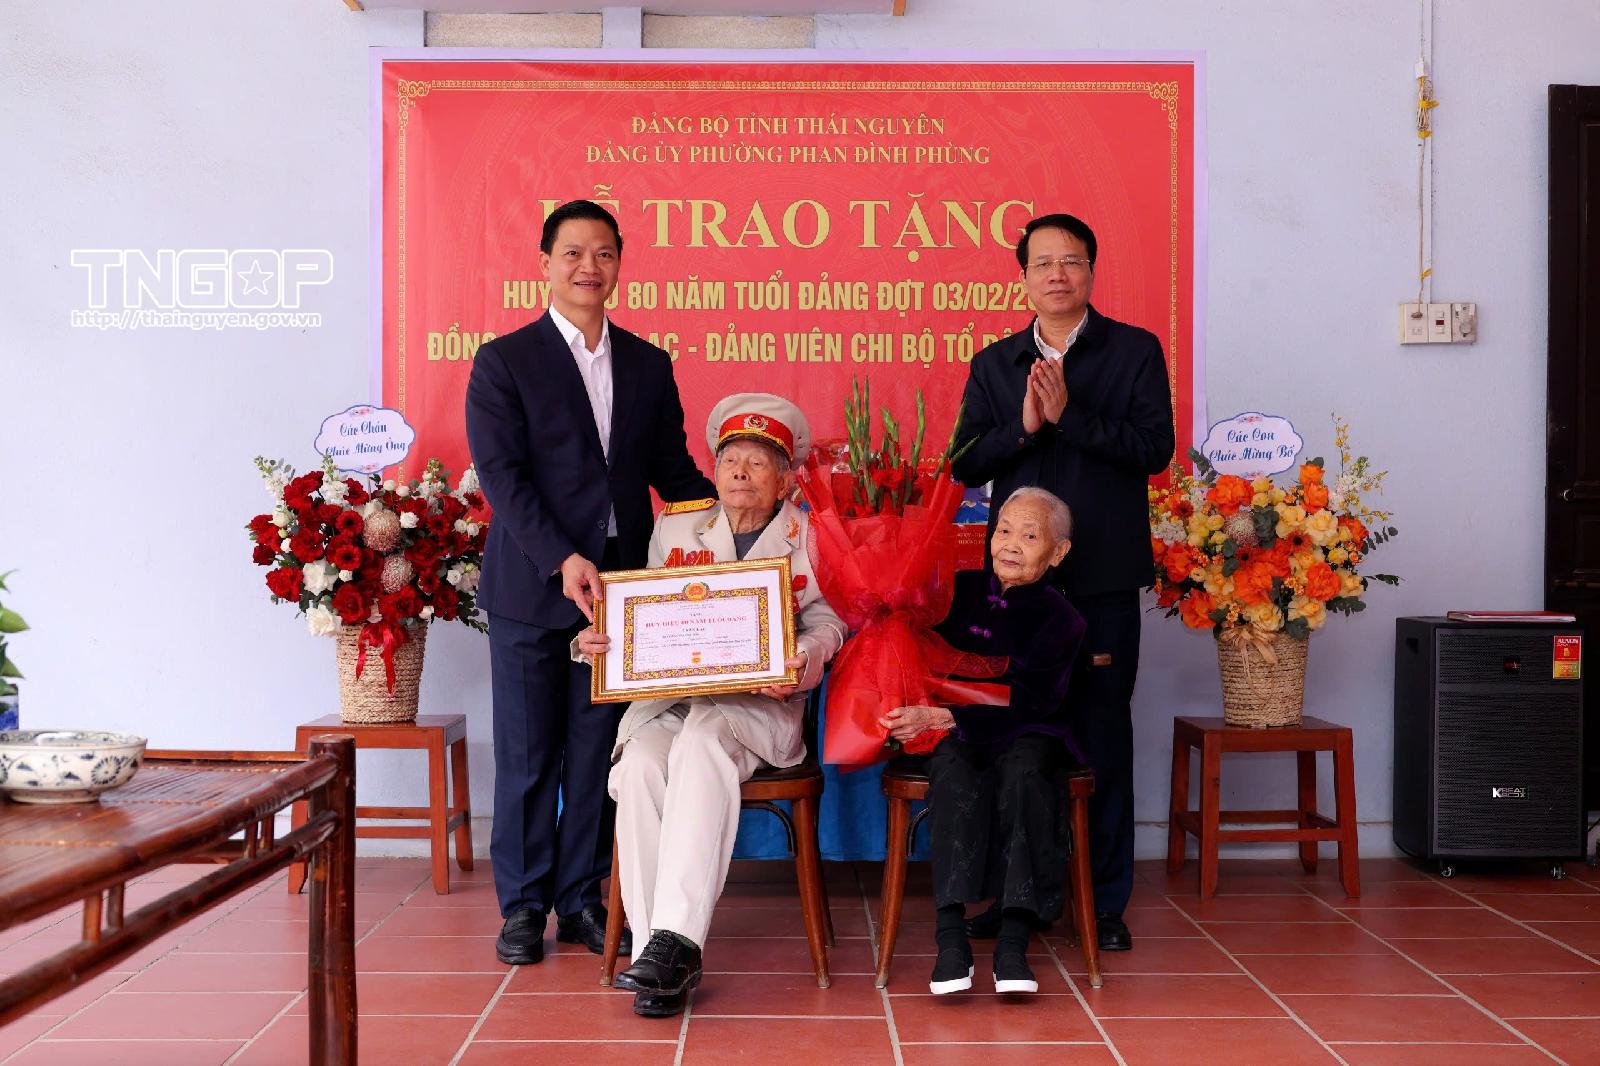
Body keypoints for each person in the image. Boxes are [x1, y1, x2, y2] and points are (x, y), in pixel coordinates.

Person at [465, 199, 716, 967]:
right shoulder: (504, 361)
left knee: (597, 751)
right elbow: (504, 479)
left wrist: (747, 505)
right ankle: (523, 905)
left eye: (603, 253)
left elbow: (671, 473)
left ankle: (580, 896)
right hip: (536, 589)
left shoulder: (647, 362)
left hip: (622, 593)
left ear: (619, 264)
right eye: (572, 252)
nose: (588, 267)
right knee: (529, 755)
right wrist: (561, 558)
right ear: (545, 263)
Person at [575, 393, 846, 1018]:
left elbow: (830, 619)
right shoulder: (675, 526)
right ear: (714, 467)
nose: (741, 472)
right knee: (639, 764)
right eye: (731, 459)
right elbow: (638, 615)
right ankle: (654, 955)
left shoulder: (809, 533)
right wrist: (594, 641)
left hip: (758, 708)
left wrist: (805, 657)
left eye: (758, 462)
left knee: (702, 746)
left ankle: (675, 942)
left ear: (785, 478)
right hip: (671, 702)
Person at [952, 213, 1175, 952]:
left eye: (1071, 262)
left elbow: (1153, 449)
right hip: (1018, 589)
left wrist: (1070, 417)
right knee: (1010, 735)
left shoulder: (1134, 352)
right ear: (1022, 277)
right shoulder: (995, 363)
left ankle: (1103, 902)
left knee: (1102, 733)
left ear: (1090, 271)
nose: (1056, 275)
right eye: (1041, 263)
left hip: (1103, 579)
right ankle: (1012, 897)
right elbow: (965, 463)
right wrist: (1022, 427)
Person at [883, 488, 1086, 995]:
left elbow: (1036, 702)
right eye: (1004, 530)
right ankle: (950, 937)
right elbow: (912, 643)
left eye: (1031, 534)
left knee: (1025, 772)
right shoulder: (958, 591)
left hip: (1030, 732)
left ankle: (1014, 940)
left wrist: (947, 714)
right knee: (952, 769)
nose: (1012, 544)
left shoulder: (1063, 619)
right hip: (958, 733)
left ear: (1057, 552)